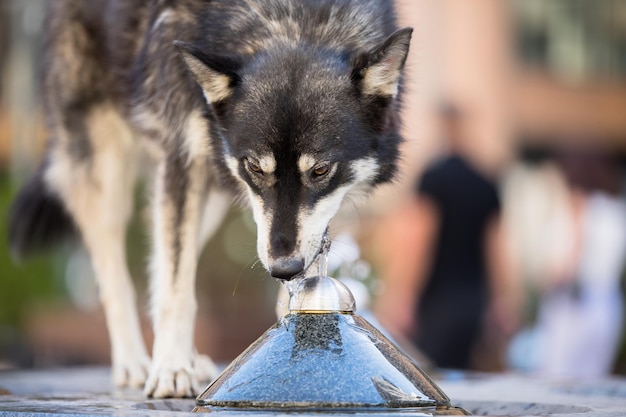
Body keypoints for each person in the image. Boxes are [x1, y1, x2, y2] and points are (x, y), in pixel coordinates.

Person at [376, 104, 517, 370]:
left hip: (438, 302)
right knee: (464, 374)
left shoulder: (434, 179)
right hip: (474, 299)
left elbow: (419, 243)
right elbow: (498, 250)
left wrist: (403, 296)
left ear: (443, 129)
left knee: (430, 378)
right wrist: (503, 302)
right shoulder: (486, 181)